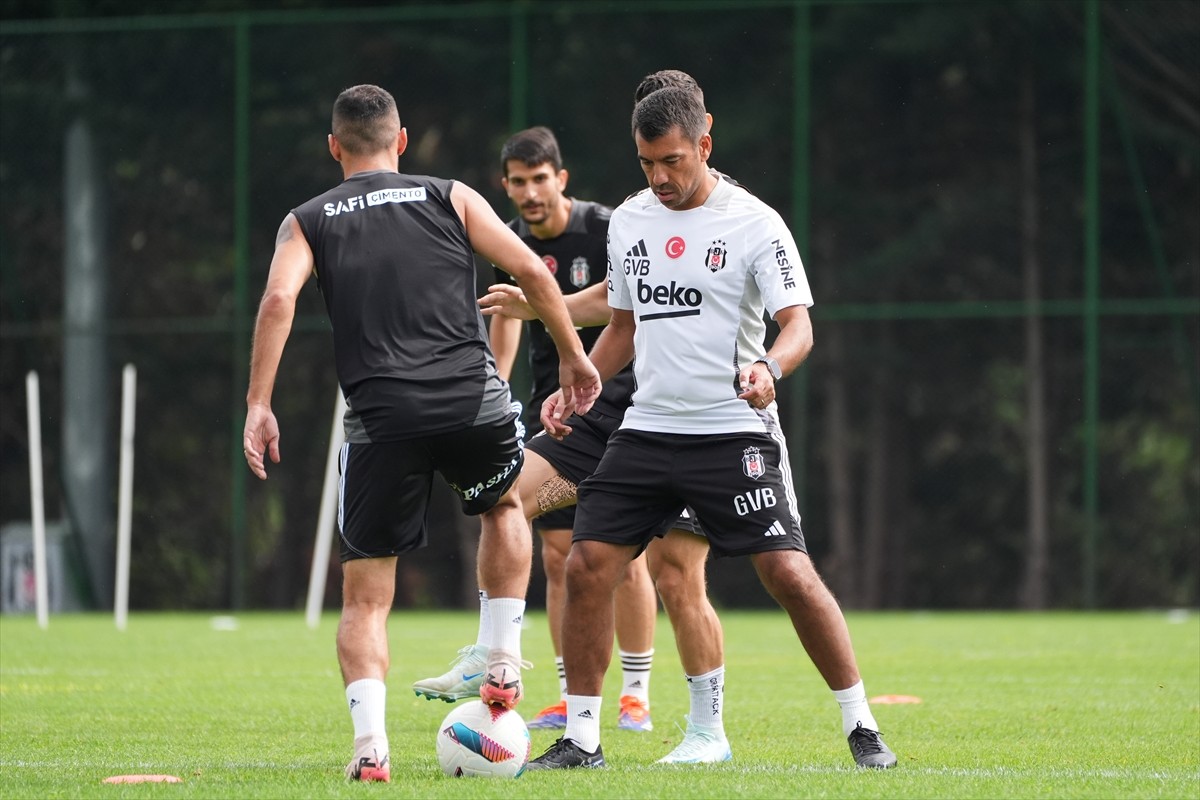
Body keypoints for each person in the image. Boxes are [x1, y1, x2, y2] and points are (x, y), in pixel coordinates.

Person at [526, 85, 898, 771]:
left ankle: (862, 725)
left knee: (787, 572)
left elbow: (798, 327)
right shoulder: (632, 222)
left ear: (705, 142)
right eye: (646, 164)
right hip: (648, 432)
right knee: (586, 566)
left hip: (733, 431)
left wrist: (769, 371)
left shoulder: (755, 223)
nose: (660, 179)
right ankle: (582, 739)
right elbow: (625, 326)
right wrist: (580, 385)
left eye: (672, 161)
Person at [241, 84, 600, 783]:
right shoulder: (451, 195)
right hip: (474, 404)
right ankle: (501, 659)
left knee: (367, 594)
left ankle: (371, 747)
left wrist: (260, 401)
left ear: (334, 147)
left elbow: (280, 297)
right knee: (502, 505)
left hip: (382, 422)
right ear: (400, 142)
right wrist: (574, 354)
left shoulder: (309, 218)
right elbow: (529, 267)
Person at [414, 125, 659, 734]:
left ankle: (636, 694)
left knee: (633, 561)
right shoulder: (513, 242)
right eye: (517, 182)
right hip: (564, 419)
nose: (529, 192)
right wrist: (490, 397)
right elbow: (506, 332)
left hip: (632, 410)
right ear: (506, 186)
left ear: (561, 178)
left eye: (539, 179)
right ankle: (514, 669)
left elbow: (626, 313)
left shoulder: (609, 229)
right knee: (542, 540)